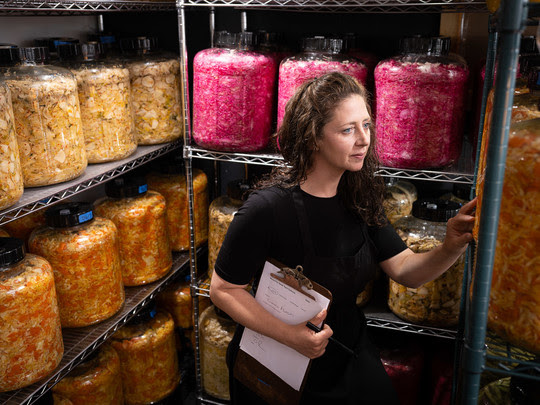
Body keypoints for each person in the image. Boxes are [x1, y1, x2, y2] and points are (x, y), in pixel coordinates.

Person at [210, 72, 476, 404]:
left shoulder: (360, 199)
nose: (364, 139)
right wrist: (292, 337)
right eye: (347, 129)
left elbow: (407, 270)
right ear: (313, 138)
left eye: (366, 125)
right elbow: (223, 291)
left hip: (346, 350)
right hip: (278, 360)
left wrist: (451, 245)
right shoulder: (267, 209)